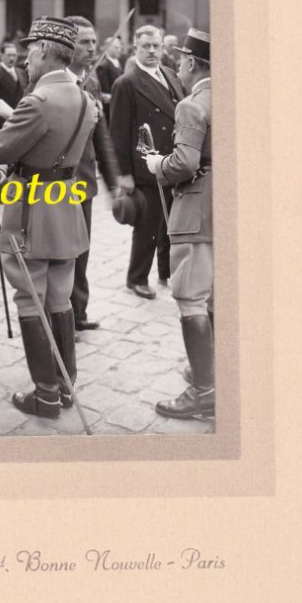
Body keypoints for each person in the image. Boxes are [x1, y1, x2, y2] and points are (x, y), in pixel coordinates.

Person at [0, 16, 97, 420]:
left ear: (45, 50)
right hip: (66, 206)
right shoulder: (85, 99)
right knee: (59, 297)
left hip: (31, 211)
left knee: (30, 295)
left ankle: (44, 394)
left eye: (30, 51)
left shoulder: (38, 101)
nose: (26, 60)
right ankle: (64, 387)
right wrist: (16, 116)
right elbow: (46, 139)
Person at [143, 29, 214, 420]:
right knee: (217, 296)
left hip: (198, 207)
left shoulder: (192, 104)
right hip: (228, 209)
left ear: (190, 63)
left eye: (181, 60)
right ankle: (214, 374)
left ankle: (204, 391)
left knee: (190, 296)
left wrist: (157, 165)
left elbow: (184, 163)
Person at [109, 24, 184, 298]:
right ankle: (137, 277)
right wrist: (125, 175)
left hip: (172, 162)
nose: (152, 51)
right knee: (148, 225)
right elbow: (117, 133)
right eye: (146, 46)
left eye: (156, 46)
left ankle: (166, 272)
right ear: (135, 48)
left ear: (162, 47)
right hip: (145, 166)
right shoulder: (126, 83)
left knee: (171, 222)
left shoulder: (171, 75)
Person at [64, 16, 121, 331]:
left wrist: (113, 184)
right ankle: (59, 315)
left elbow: (102, 137)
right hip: (55, 185)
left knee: (82, 250)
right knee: (63, 253)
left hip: (83, 181)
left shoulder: (94, 80)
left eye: (93, 41)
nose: (92, 47)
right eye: (84, 42)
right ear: (67, 46)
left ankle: (78, 312)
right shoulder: (48, 80)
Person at [95, 35, 124, 119]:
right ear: (108, 48)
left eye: (120, 47)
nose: (119, 50)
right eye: (116, 48)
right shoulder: (103, 66)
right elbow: (105, 89)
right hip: (110, 105)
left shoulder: (119, 62)